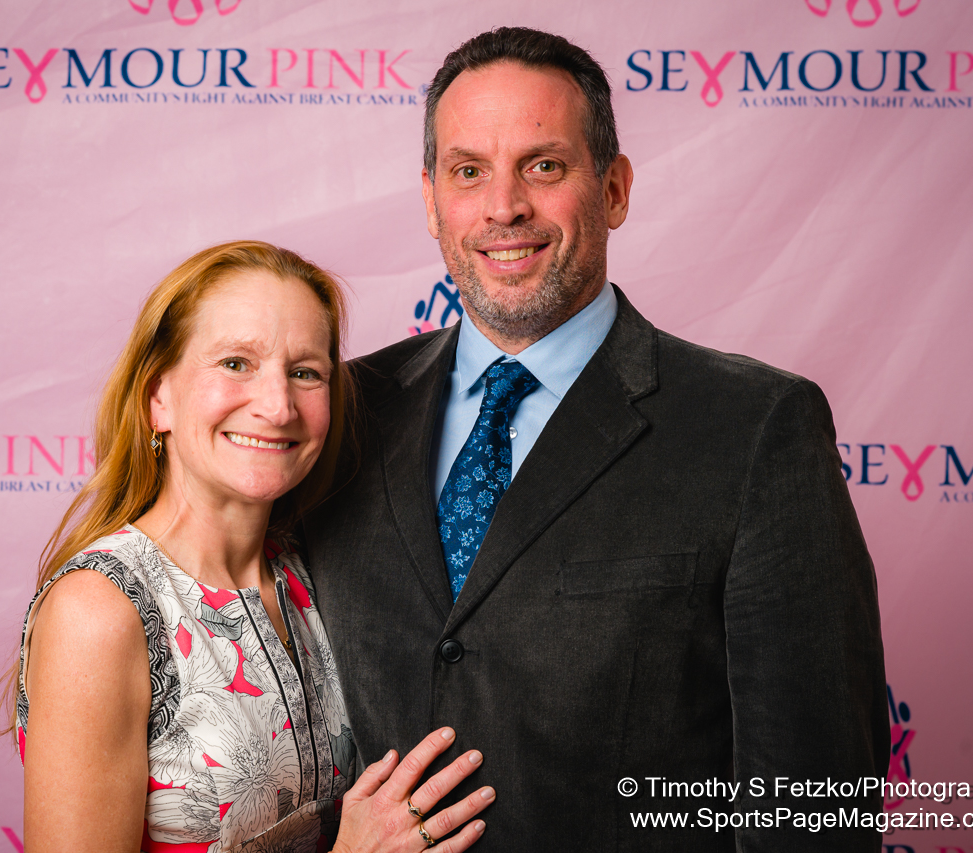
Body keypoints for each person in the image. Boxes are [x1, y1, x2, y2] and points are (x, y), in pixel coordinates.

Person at [301, 28, 889, 850]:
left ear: (613, 189)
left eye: (543, 166)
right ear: (431, 200)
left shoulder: (756, 427)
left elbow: (812, 809)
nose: (504, 206)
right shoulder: (339, 412)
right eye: (469, 172)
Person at [8, 242, 495, 853]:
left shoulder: (315, 572)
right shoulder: (101, 610)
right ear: (158, 397)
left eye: (305, 372)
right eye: (236, 363)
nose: (277, 406)